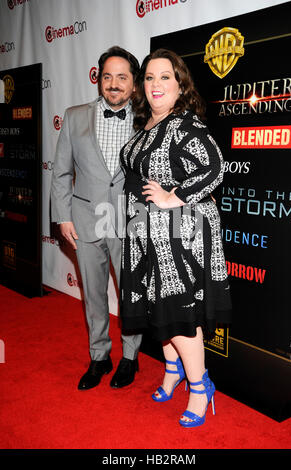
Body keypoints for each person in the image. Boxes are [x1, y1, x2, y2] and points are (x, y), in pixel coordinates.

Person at [120, 48, 231, 427]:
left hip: (178, 235)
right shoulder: (147, 126)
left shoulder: (183, 123)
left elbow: (214, 167)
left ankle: (200, 387)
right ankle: (172, 371)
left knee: (180, 315)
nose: (155, 84)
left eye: (165, 76)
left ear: (180, 83)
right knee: (161, 312)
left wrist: (174, 197)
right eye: (149, 77)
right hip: (146, 234)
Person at [51, 46, 143, 391]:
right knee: (93, 295)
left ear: (134, 83)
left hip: (128, 222)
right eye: (108, 77)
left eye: (122, 77)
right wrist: (62, 217)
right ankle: (99, 356)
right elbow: (61, 173)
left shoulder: (147, 119)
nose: (114, 84)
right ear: (98, 80)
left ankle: (130, 358)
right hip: (85, 218)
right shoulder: (75, 117)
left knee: (130, 294)